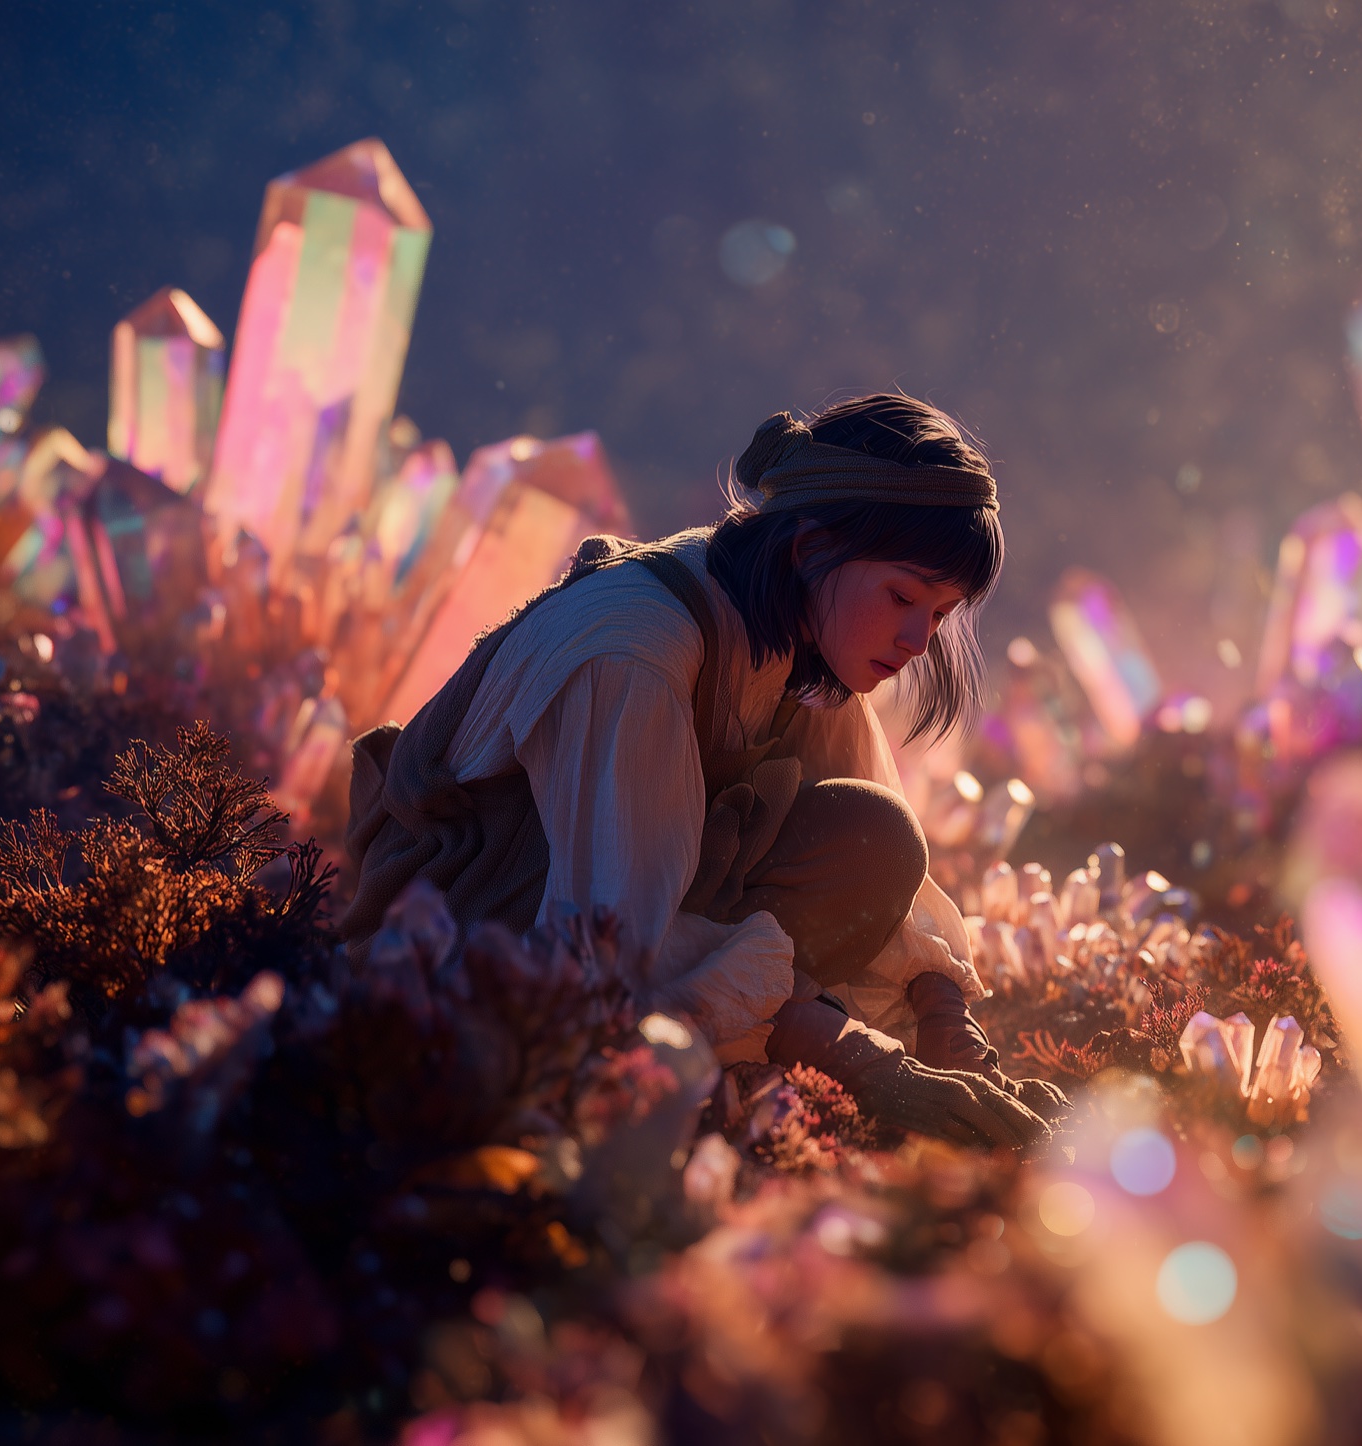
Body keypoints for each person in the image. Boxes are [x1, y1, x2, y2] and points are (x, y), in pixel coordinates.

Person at [341, 395, 1063, 1148]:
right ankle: (737, 1066)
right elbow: (610, 953)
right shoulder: (634, 657)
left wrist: (948, 1024)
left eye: (941, 613)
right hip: (489, 936)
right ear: (810, 546)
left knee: (872, 839)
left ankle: (752, 1041)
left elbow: (884, 856)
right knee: (611, 1015)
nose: (918, 637)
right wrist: (860, 1059)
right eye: (903, 595)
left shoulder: (796, 618)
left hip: (635, 903)